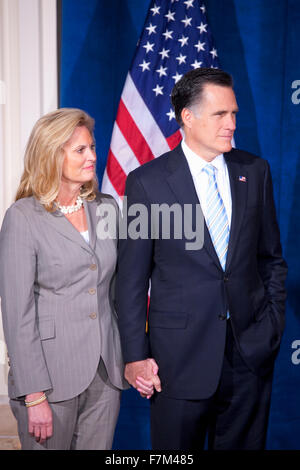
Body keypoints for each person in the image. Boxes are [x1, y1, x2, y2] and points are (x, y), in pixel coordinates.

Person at [115, 68, 288, 450]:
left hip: (250, 356)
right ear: (188, 118)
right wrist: (135, 355)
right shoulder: (148, 183)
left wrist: (271, 326)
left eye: (234, 114)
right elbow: (130, 280)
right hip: (177, 362)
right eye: (220, 115)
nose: (231, 124)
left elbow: (271, 259)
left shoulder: (255, 172)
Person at [0, 107, 142, 450]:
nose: (93, 156)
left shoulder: (106, 207)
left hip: (105, 372)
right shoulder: (23, 217)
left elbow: (122, 289)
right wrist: (34, 396)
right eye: (80, 150)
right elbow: (17, 316)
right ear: (51, 155)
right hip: (49, 379)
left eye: (92, 147)